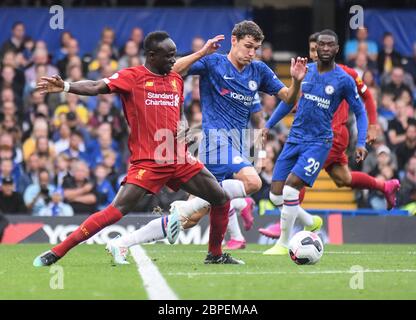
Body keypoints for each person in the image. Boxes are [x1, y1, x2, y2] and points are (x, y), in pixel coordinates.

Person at [33, 31, 242, 267]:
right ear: (152, 56)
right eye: (169, 56)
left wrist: (183, 124)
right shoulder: (132, 77)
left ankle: (214, 254)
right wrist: (66, 86)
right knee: (115, 211)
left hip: (180, 158)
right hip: (149, 161)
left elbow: (179, 111)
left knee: (221, 198)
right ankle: (57, 251)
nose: (173, 61)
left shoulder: (176, 80)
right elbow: (95, 85)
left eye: (175, 56)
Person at [106, 20, 307, 259]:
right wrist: (201, 52)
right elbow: (172, 70)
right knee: (253, 182)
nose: (252, 52)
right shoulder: (214, 63)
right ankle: (237, 206)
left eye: (256, 48)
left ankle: (123, 242)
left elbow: (289, 99)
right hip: (215, 142)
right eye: (248, 46)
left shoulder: (259, 70)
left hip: (238, 143)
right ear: (234, 41)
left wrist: (295, 82)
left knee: (186, 220)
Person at [259, 31, 401, 243]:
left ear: (335, 49)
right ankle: (384, 186)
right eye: (313, 49)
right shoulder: (306, 71)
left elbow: (367, 98)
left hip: (331, 136)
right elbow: (290, 99)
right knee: (343, 178)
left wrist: (371, 125)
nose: (316, 53)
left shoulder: (346, 74)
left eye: (323, 47)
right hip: (313, 134)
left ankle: (286, 225)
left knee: (295, 179)